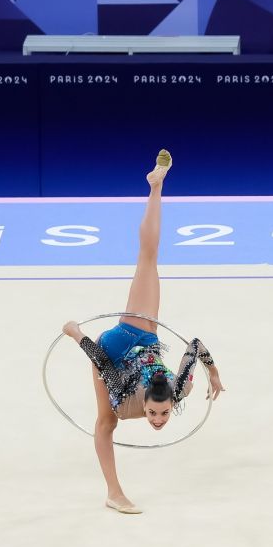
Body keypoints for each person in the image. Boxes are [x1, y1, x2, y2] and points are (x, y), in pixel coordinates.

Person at [61, 150, 225, 514]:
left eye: (159, 415)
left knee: (106, 422)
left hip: (119, 356)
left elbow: (108, 363)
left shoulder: (159, 393)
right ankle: (156, 186)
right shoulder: (148, 395)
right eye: (157, 415)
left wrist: (212, 373)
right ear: (153, 403)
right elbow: (192, 346)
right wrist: (75, 332)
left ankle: (112, 493)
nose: (157, 421)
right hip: (121, 342)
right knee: (148, 257)